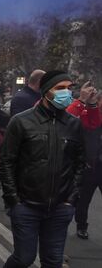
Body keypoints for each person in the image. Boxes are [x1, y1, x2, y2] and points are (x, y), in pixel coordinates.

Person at [0, 70, 86, 268]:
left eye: (69, 88)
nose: (67, 93)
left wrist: (71, 199)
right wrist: (14, 200)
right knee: (24, 258)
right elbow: (6, 162)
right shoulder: (21, 122)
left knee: (53, 261)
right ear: (46, 91)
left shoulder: (74, 125)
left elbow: (80, 163)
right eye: (60, 88)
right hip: (26, 206)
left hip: (59, 209)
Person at [66, 82, 101, 240]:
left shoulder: (94, 114)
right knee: (83, 199)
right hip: (89, 165)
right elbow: (70, 122)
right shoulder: (88, 115)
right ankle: (81, 226)